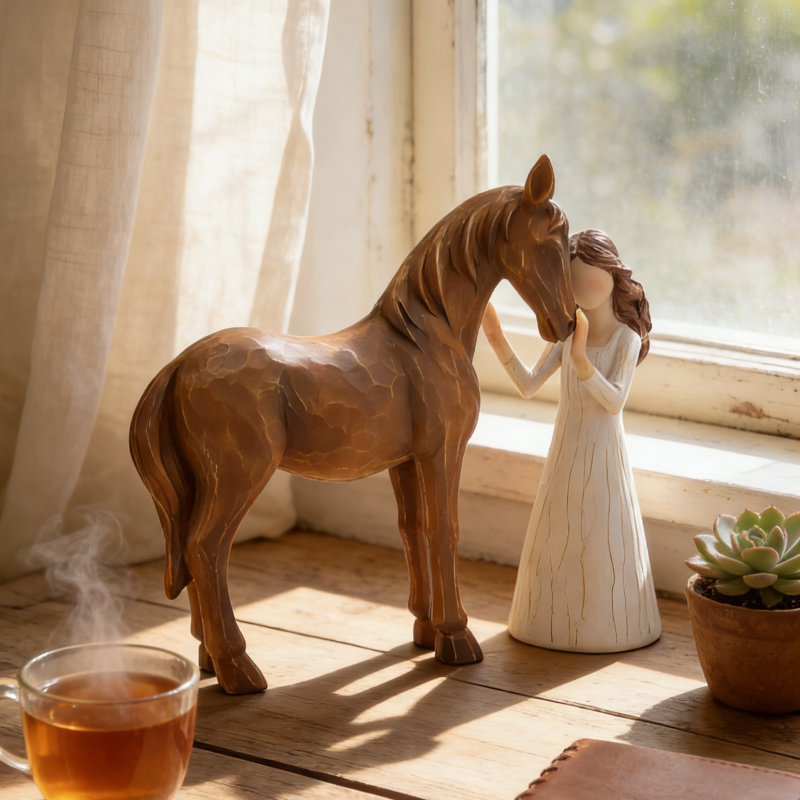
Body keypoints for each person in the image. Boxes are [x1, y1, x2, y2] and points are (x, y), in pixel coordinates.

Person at [482, 229, 661, 652]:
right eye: (571, 275)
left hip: (603, 454)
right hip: (566, 448)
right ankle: (547, 621)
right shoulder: (566, 335)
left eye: (590, 274)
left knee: (603, 536)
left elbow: (614, 401)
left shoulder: (625, 339)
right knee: (559, 532)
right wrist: (497, 340)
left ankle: (613, 624)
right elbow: (528, 385)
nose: (580, 285)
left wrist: (582, 363)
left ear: (613, 275)